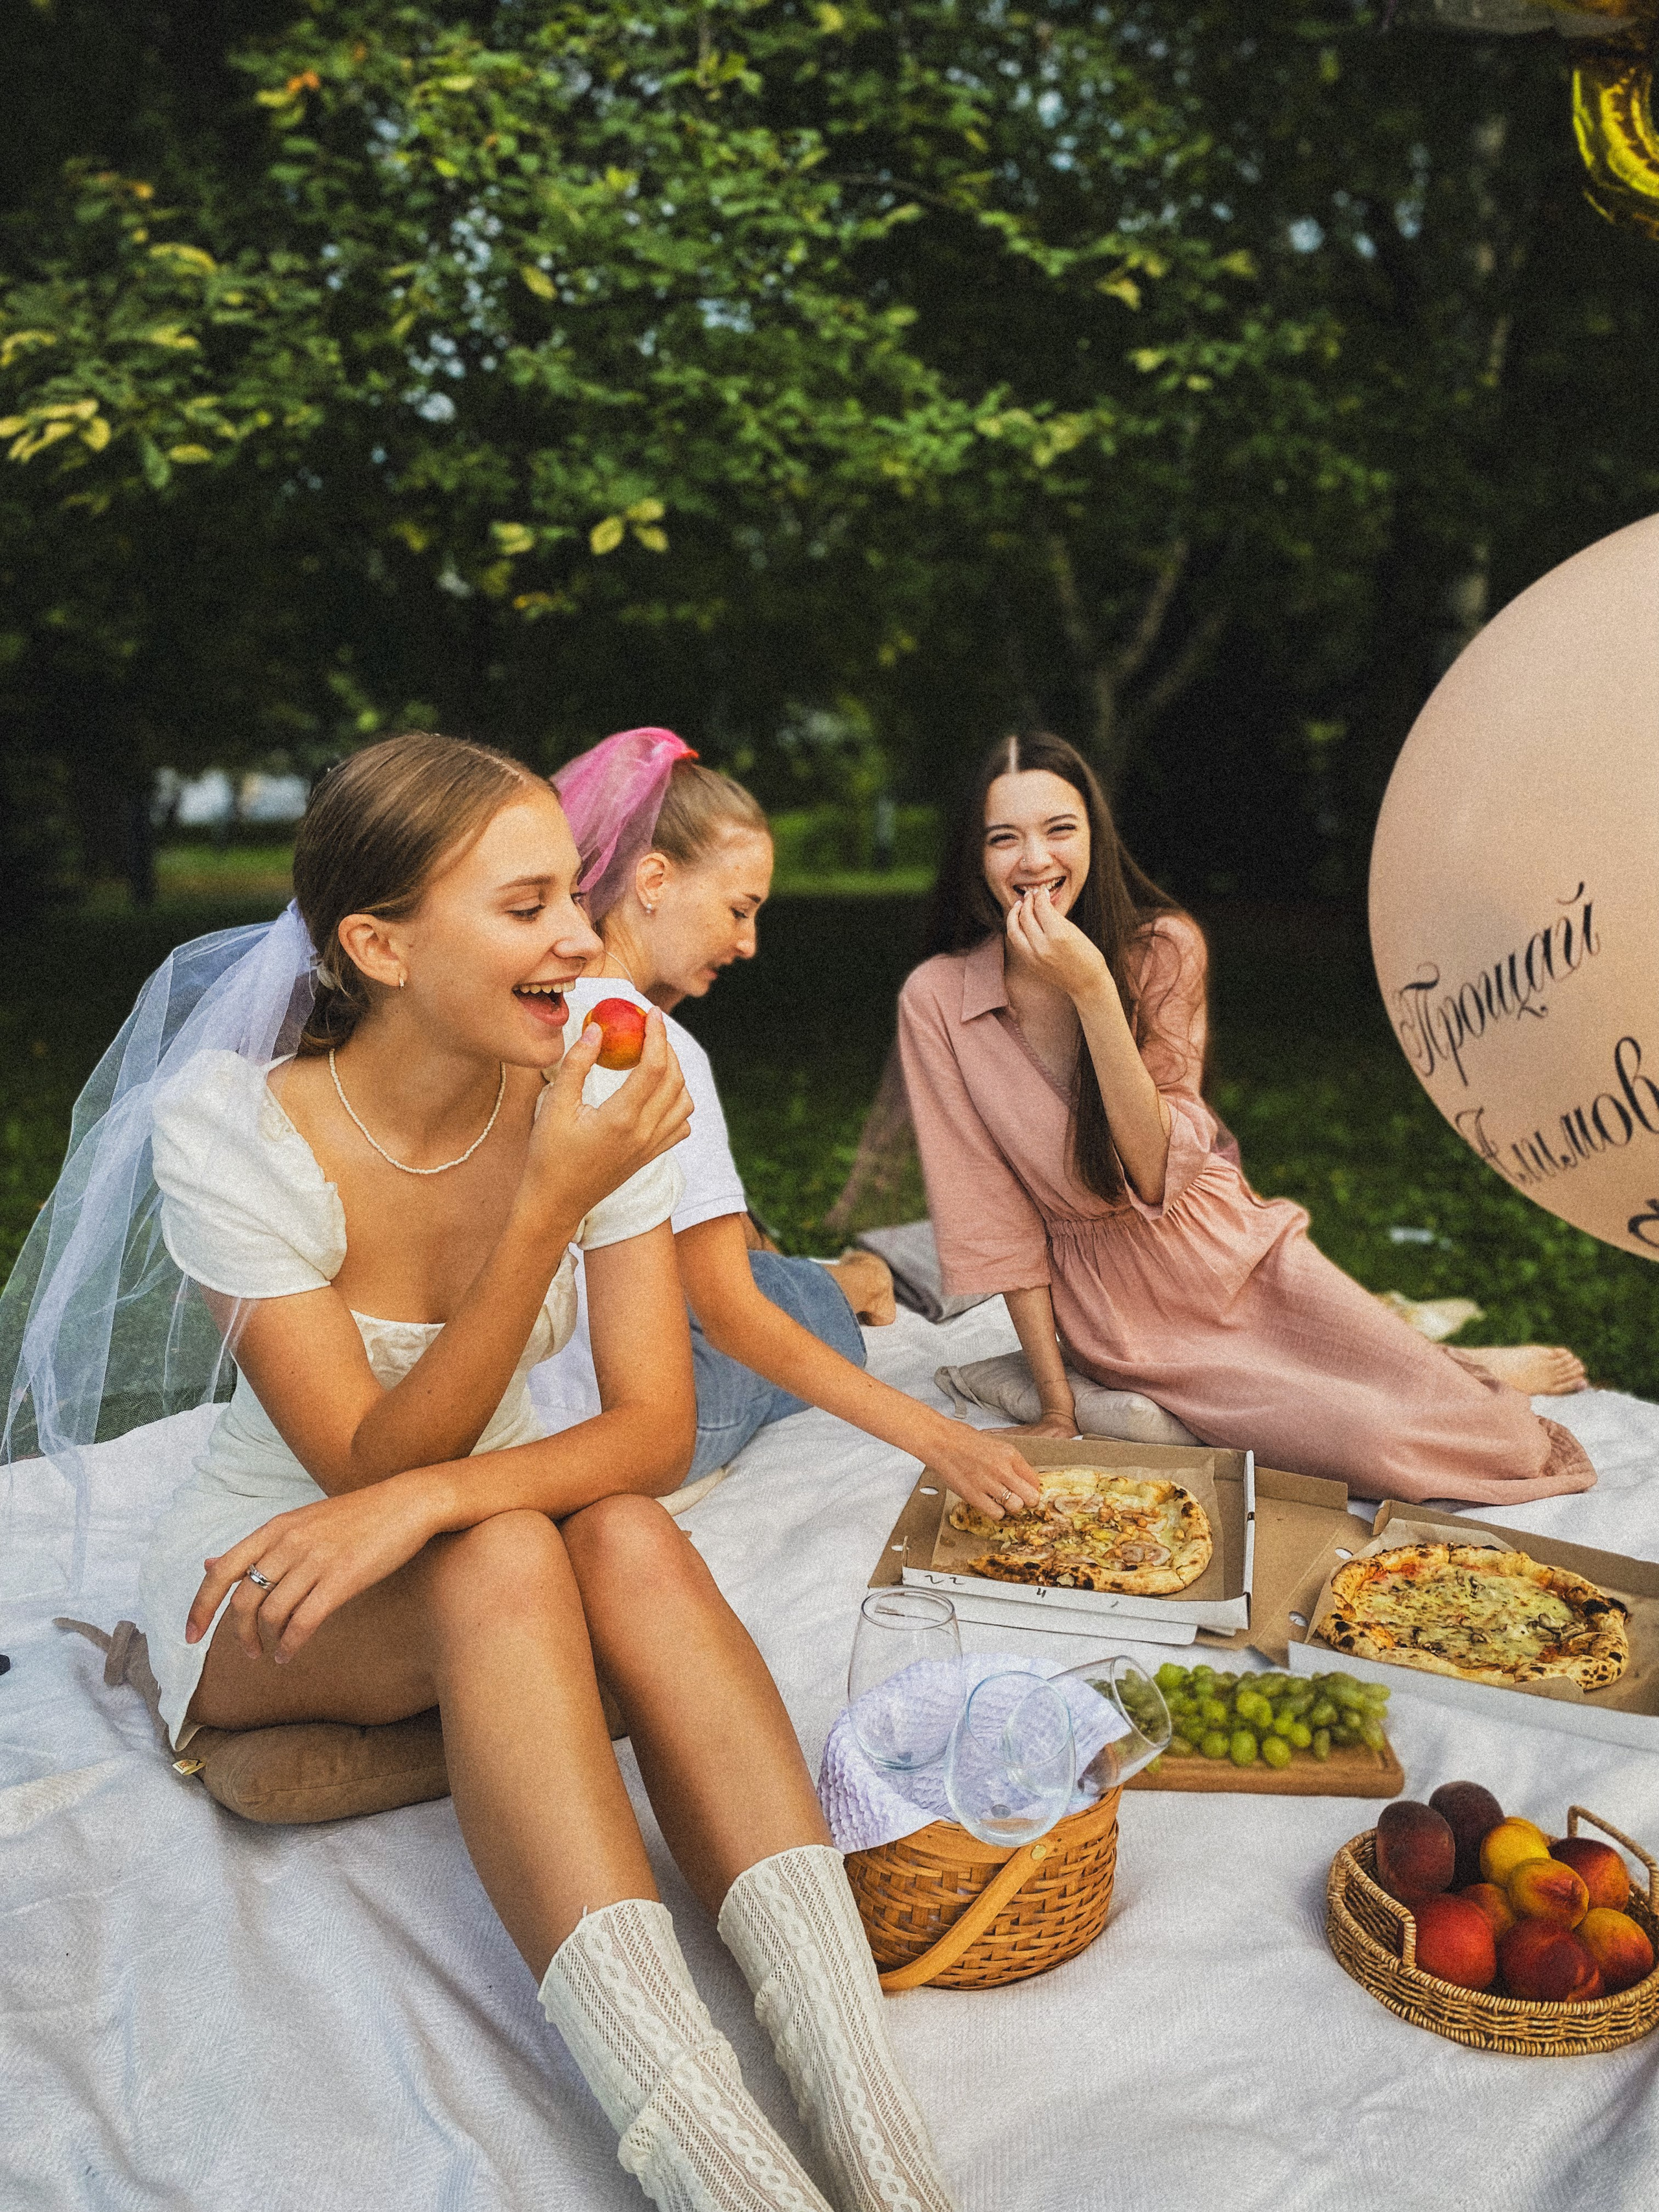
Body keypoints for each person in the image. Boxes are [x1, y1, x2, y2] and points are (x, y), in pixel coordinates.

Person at [4, 732, 956, 2212]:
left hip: (483, 1525)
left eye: (569, 898)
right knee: (531, 1554)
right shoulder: (235, 1127)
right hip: (278, 1577)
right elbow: (361, 1461)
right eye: (527, 908)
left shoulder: (605, 1075)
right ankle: (708, 2157)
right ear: (377, 943)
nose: (581, 935)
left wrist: (439, 1495)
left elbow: (645, 1425)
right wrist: (544, 1209)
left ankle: (875, 2127)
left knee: (627, 1534)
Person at [896, 730, 1595, 1508]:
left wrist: (1094, 988)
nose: (1034, 860)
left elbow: (1157, 1168)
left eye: (1060, 829)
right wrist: (1057, 1406)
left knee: (1496, 1440)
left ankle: (1459, 1366)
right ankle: (1437, 1367)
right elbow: (989, 1220)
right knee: (1373, 1442)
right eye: (1004, 838)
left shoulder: (1163, 948)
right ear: (974, 856)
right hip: (1124, 1313)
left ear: (1094, 836)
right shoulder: (938, 999)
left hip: (1229, 1249)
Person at [535, 727, 1046, 1524]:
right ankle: (857, 1281)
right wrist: (941, 1438)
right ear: (654, 879)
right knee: (792, 1300)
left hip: (532, 1397)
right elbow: (733, 1314)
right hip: (621, 1424)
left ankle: (842, 1274)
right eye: (739, 909)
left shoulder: (526, 1013)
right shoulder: (656, 1050)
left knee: (741, 1261)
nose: (748, 943)